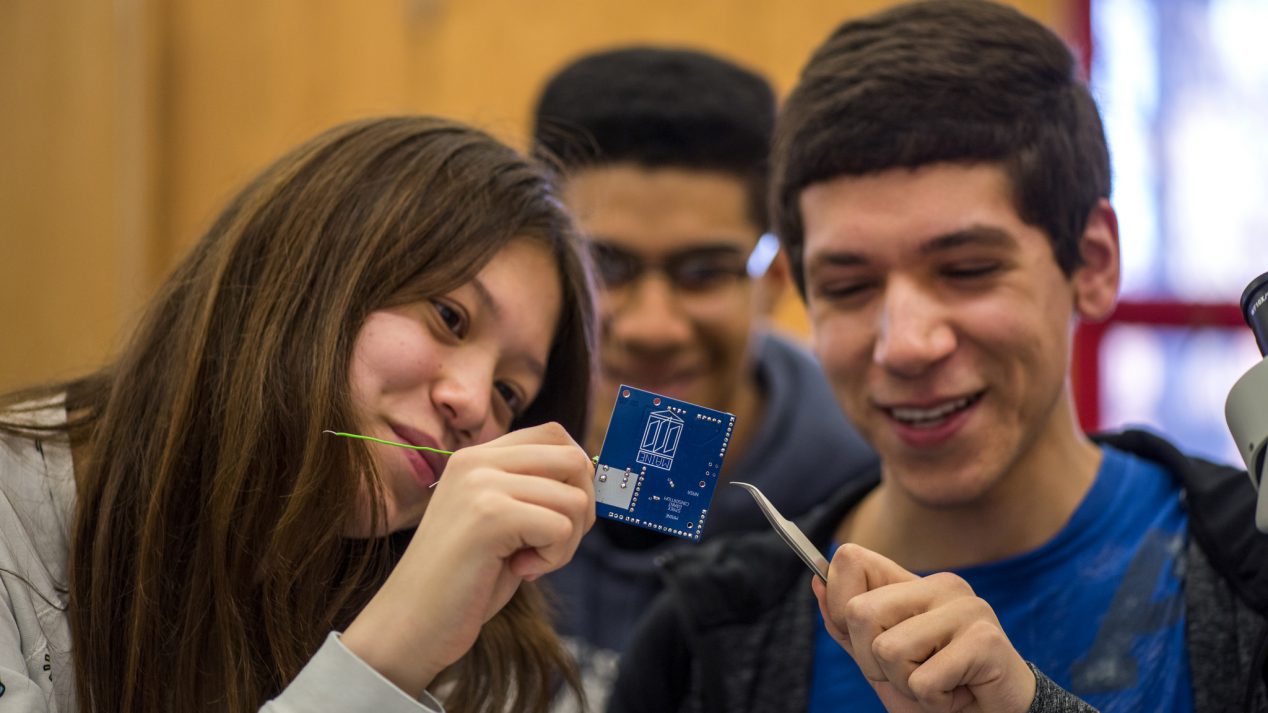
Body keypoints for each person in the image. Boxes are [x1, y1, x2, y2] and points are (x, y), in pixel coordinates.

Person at [608, 2, 1268, 712]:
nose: (905, 344)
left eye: (967, 269)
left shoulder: (1251, 574)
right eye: (849, 285)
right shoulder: (701, 644)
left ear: (1093, 261)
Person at [0, 116, 602, 713]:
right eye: (449, 316)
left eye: (510, 392)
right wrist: (385, 658)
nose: (472, 403)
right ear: (307, 277)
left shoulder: (465, 631)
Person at [530, 46, 878, 708]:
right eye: (605, 265)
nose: (652, 326)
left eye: (704, 271)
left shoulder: (867, 495)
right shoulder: (459, 444)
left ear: (774, 278)